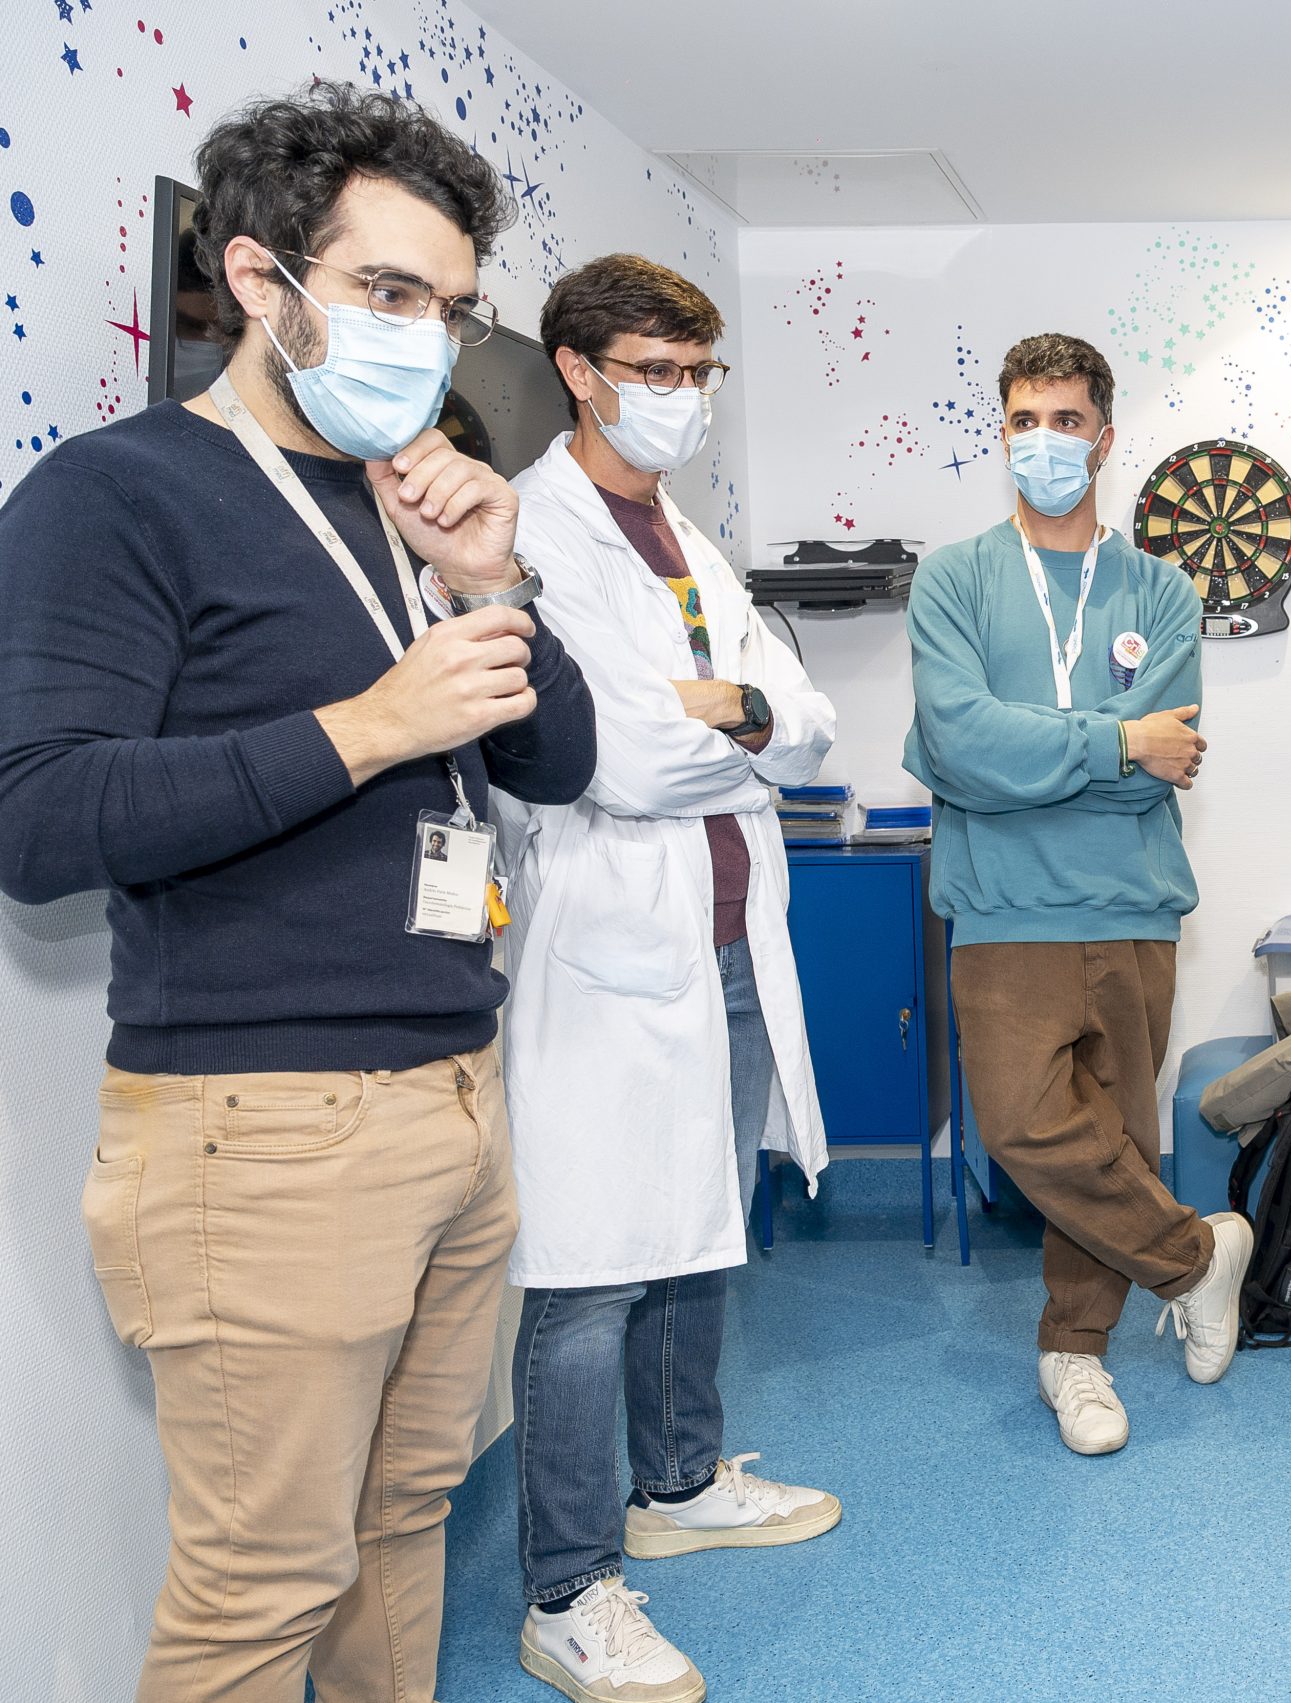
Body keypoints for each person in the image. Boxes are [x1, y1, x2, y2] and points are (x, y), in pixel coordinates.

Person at [0, 84, 596, 1701]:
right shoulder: (112, 495)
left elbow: (551, 764)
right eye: (390, 293)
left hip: (452, 1100)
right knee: (262, 1584)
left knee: (401, 1517)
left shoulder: (406, 497)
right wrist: (369, 726)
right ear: (259, 281)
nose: (428, 335)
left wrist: (497, 581)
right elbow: (39, 817)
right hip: (262, 1128)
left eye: (449, 305)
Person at [498, 254, 843, 1703]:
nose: (681, 398)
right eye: (654, 369)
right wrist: (733, 724)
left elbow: (812, 724)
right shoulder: (530, 528)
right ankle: (569, 1584)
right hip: (604, 942)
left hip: (724, 937)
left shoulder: (685, 539)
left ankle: (682, 1480)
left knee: (703, 1223)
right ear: (577, 368)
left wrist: (742, 708)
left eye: (697, 372)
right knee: (587, 1270)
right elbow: (617, 756)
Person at [903, 332, 1251, 1457]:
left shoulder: (1163, 587)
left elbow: (1170, 751)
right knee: (1022, 1128)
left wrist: (1030, 759)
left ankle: (1076, 1352)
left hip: (1133, 903)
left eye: (1063, 420)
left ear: (1104, 438)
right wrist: (1109, 749)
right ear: (1001, 434)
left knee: (1117, 1137)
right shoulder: (957, 577)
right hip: (1004, 913)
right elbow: (959, 747)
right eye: (1021, 420)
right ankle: (1200, 1257)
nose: (1041, 441)